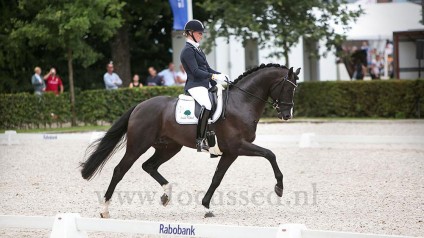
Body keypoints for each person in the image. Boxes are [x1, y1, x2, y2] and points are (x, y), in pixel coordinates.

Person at [180, 19, 228, 152]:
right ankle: (200, 140)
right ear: (190, 33)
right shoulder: (187, 51)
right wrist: (213, 77)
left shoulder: (198, 49)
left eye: (202, 33)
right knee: (207, 105)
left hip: (204, 85)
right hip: (194, 85)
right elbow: (195, 71)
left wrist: (221, 76)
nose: (201, 35)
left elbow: (207, 69)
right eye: (199, 33)